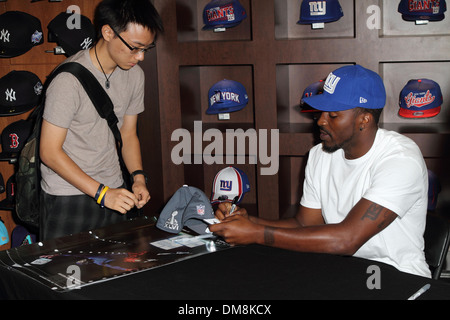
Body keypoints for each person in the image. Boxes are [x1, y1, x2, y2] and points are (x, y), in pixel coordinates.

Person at [210, 65, 431, 278]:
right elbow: (305, 224)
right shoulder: (320, 154)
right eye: (321, 111)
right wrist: (251, 222)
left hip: (398, 278)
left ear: (364, 119)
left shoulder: (401, 160)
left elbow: (346, 240)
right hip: (343, 272)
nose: (321, 121)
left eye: (333, 115)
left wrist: (257, 234)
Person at [39, 0, 163, 240]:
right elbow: (49, 152)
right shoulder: (67, 81)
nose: (140, 57)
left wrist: (138, 178)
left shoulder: (135, 76)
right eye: (135, 47)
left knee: (117, 275)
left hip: (115, 190)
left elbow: (128, 134)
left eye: (146, 49)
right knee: (65, 275)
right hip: (67, 194)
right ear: (108, 32)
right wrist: (102, 194)